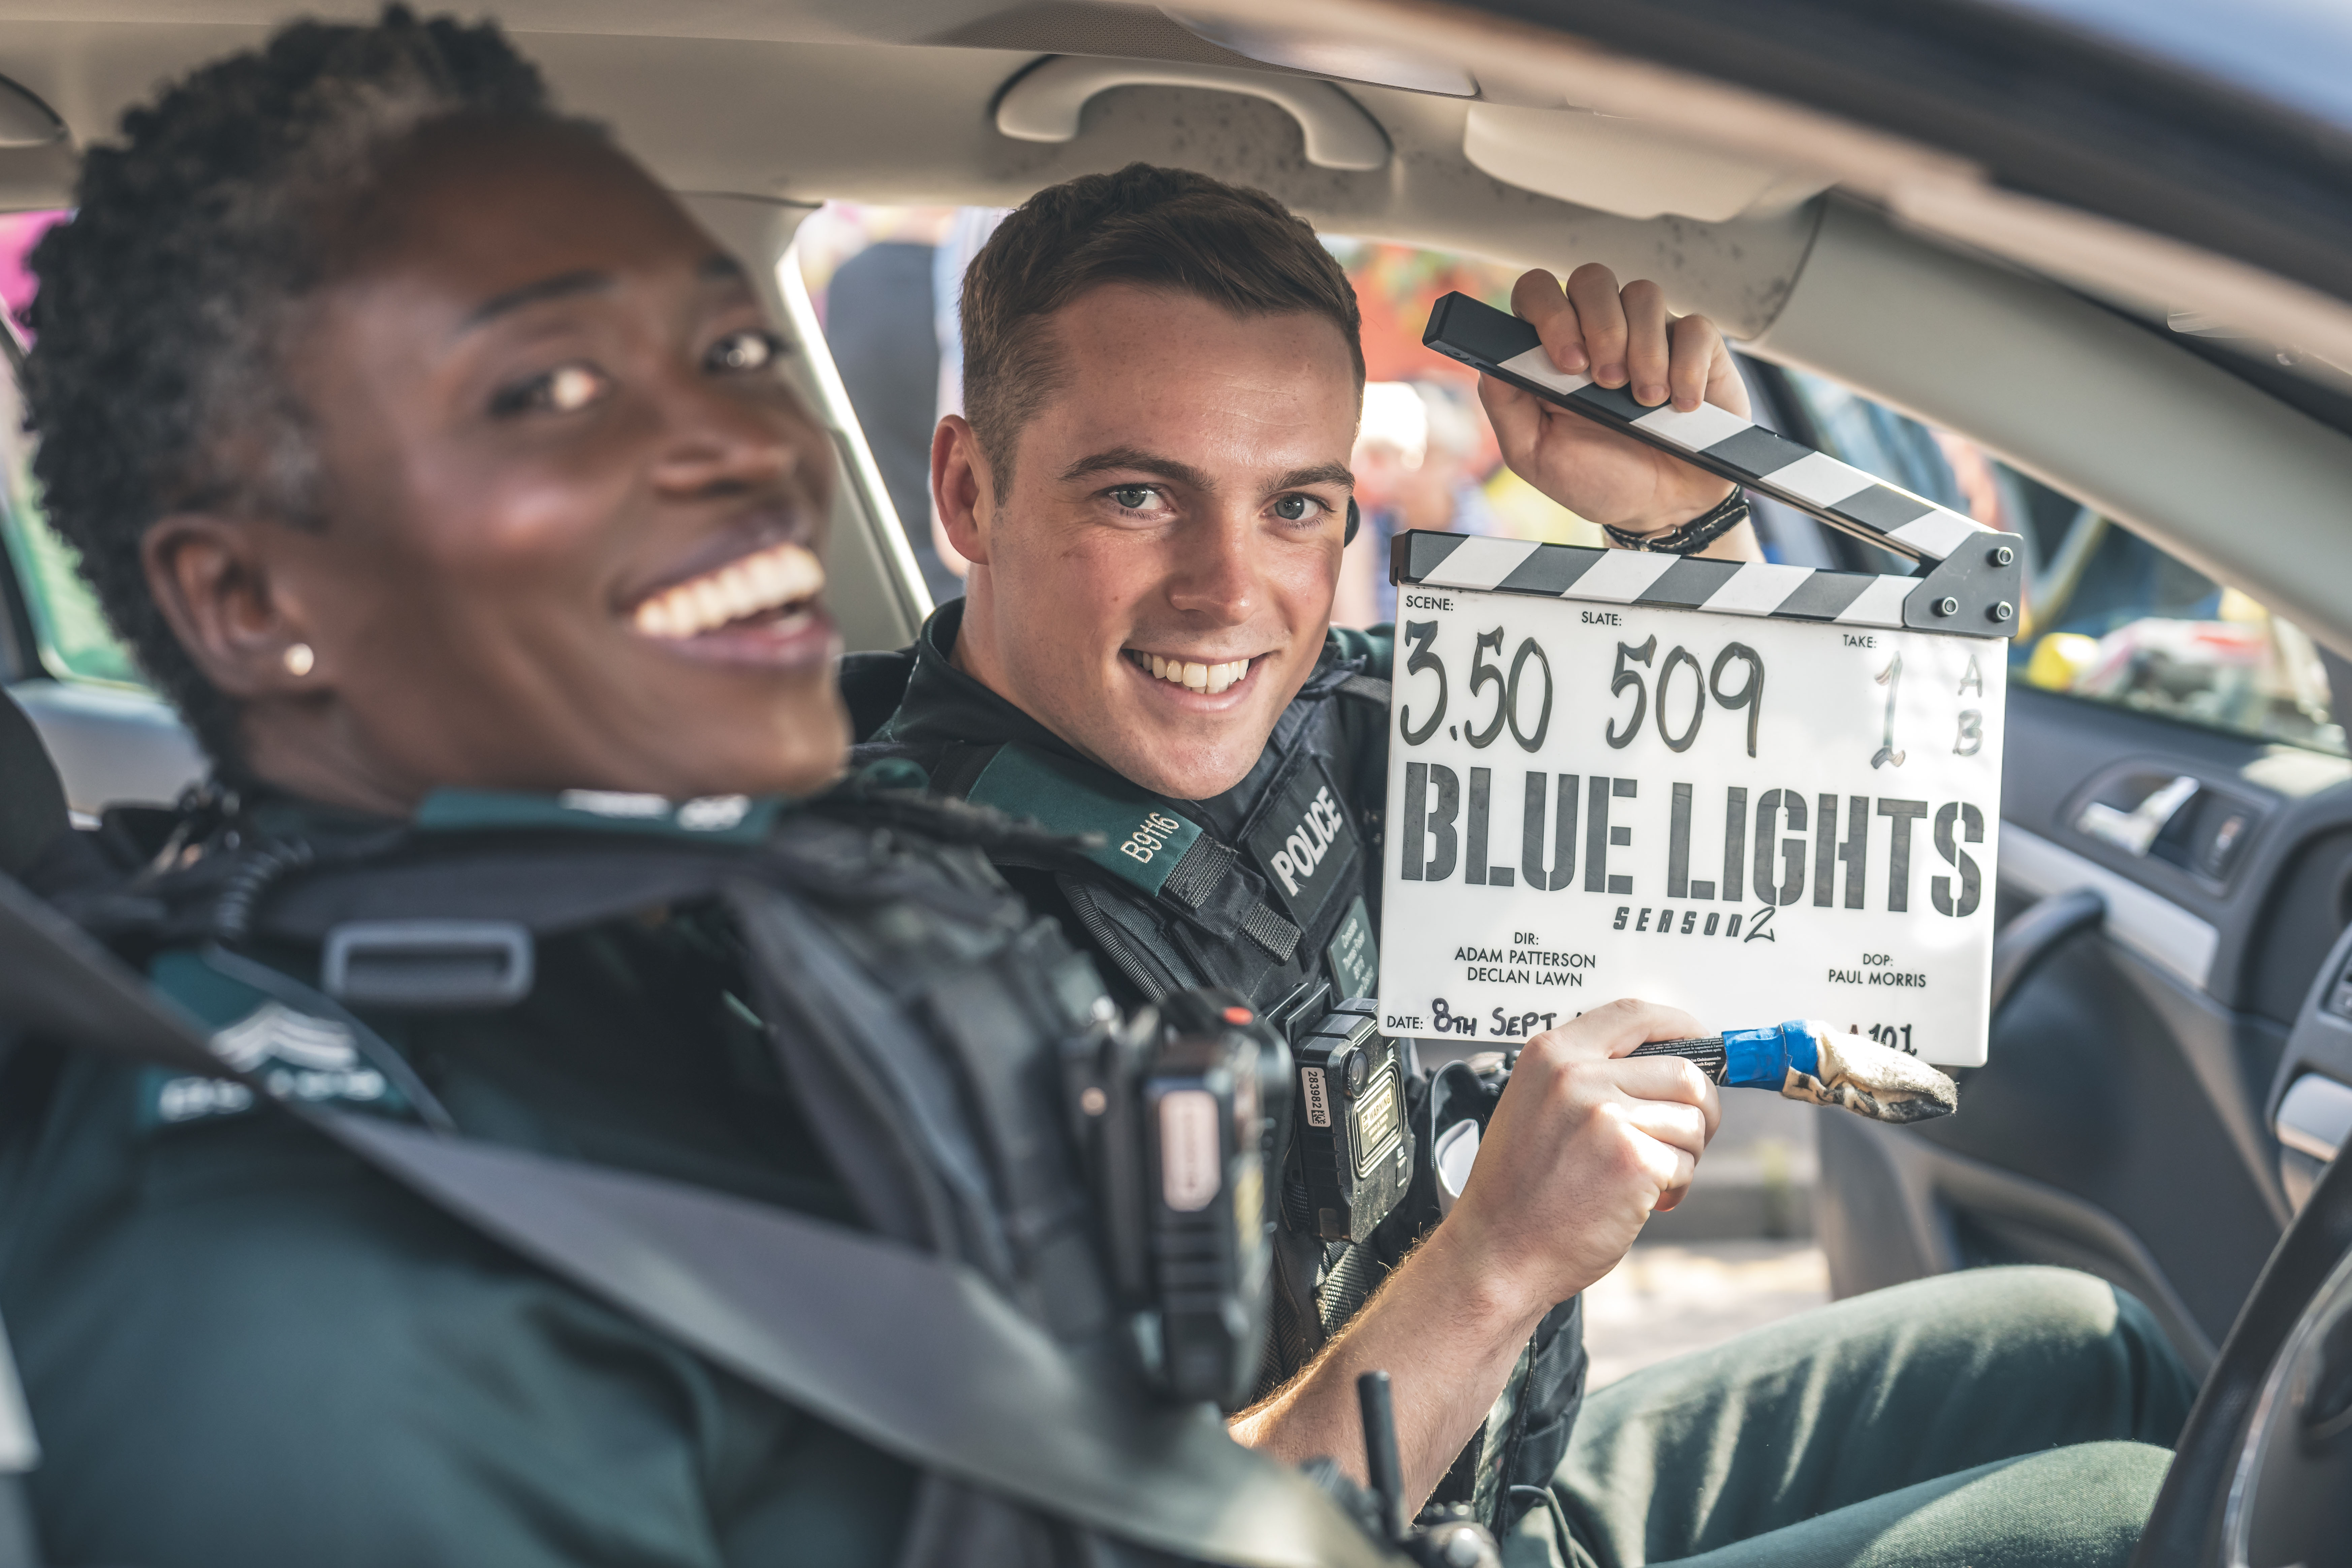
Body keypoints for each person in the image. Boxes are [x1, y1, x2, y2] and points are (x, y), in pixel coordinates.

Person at [0, 17, 1397, 1567]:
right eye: (544, 399)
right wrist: (1487, 1277)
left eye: (724, 366)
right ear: (250, 593)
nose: (742, 459)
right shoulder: (284, 1224)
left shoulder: (770, 925)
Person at [849, 163, 2197, 1565]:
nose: (1230, 595)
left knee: (2087, 1345)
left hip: (1495, 1488)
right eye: (1139, 496)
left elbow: (1778, 851)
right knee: (2114, 1524)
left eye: (1295, 506)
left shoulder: (1324, 719)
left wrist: (1679, 530)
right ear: (969, 491)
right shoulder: (862, 954)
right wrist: (1495, 1262)